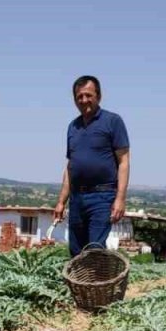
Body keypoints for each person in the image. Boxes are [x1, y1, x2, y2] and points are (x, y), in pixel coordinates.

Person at [53, 76, 130, 257]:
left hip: (102, 196)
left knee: (94, 249)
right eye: (79, 96)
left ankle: (98, 284)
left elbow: (124, 161)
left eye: (88, 95)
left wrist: (120, 199)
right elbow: (70, 166)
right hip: (77, 197)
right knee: (76, 251)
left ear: (99, 96)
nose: (84, 100)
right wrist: (61, 202)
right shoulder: (73, 127)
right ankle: (80, 286)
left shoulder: (112, 121)